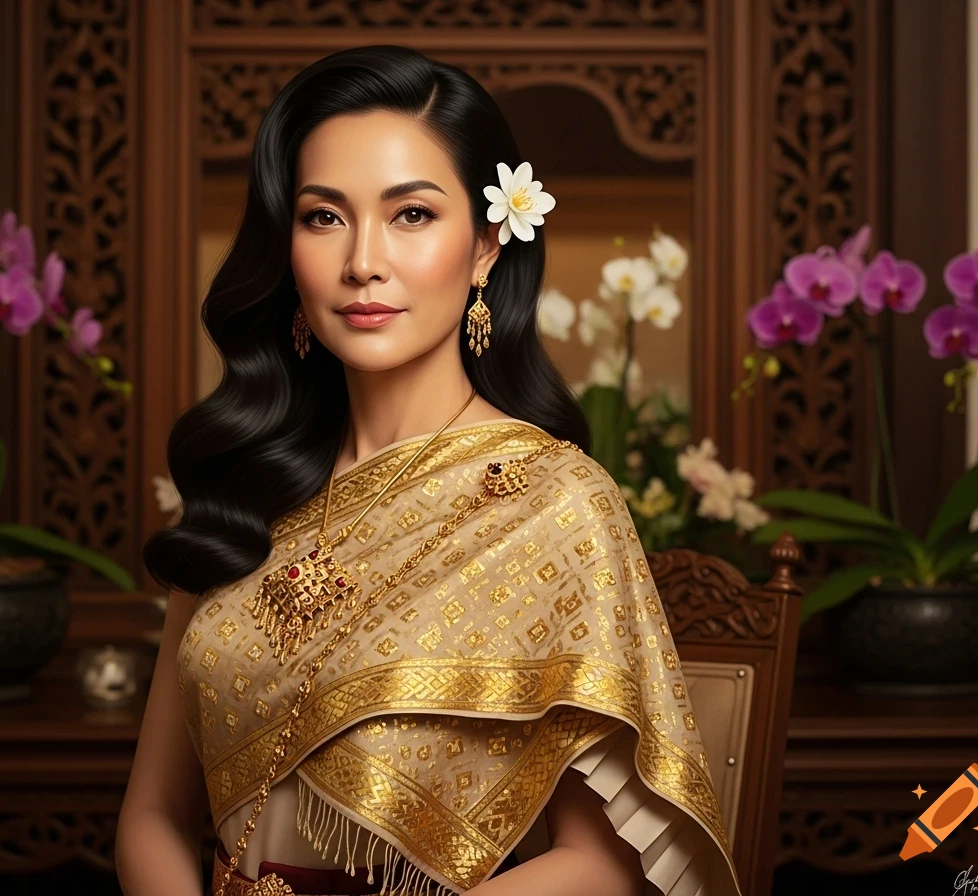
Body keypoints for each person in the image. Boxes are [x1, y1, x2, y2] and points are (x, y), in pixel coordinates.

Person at [118, 44, 741, 896]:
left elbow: (604, 867)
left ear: (486, 245)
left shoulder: (553, 503)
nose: (362, 261)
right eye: (323, 217)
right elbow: (152, 815)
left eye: (411, 214)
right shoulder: (245, 485)